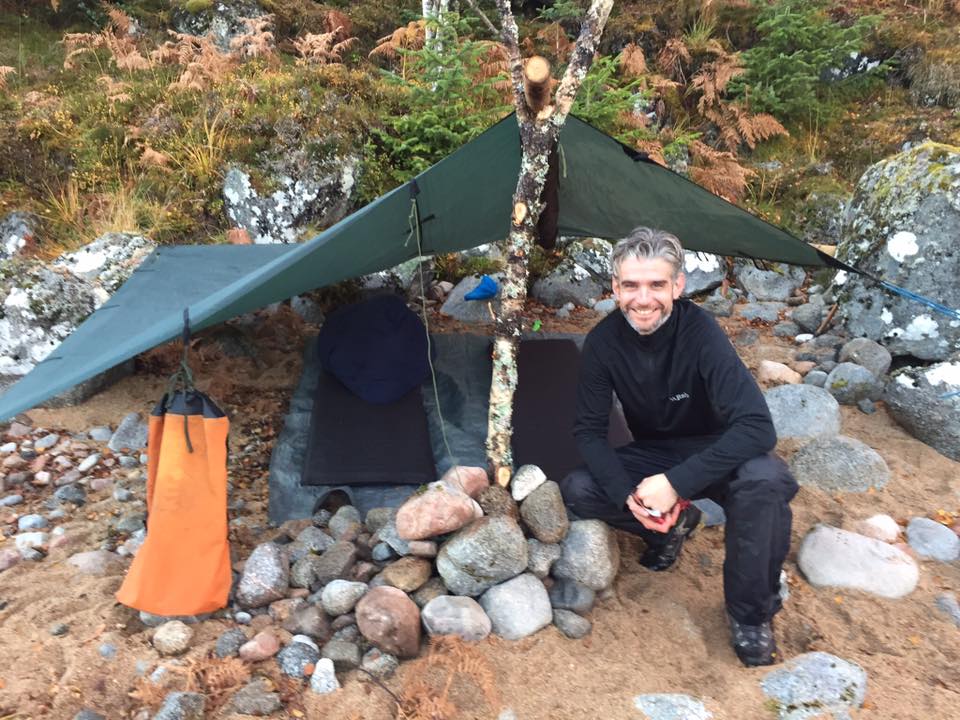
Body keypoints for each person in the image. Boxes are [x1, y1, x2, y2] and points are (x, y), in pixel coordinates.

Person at [559, 226, 798, 667]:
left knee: (766, 480)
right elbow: (589, 432)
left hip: (718, 450)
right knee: (580, 487)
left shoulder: (701, 332)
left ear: (678, 285)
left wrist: (675, 483)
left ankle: (750, 617)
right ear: (615, 287)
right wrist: (628, 496)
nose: (642, 299)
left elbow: (757, 428)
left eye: (656, 285)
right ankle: (672, 526)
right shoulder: (603, 343)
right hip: (656, 451)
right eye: (631, 285)